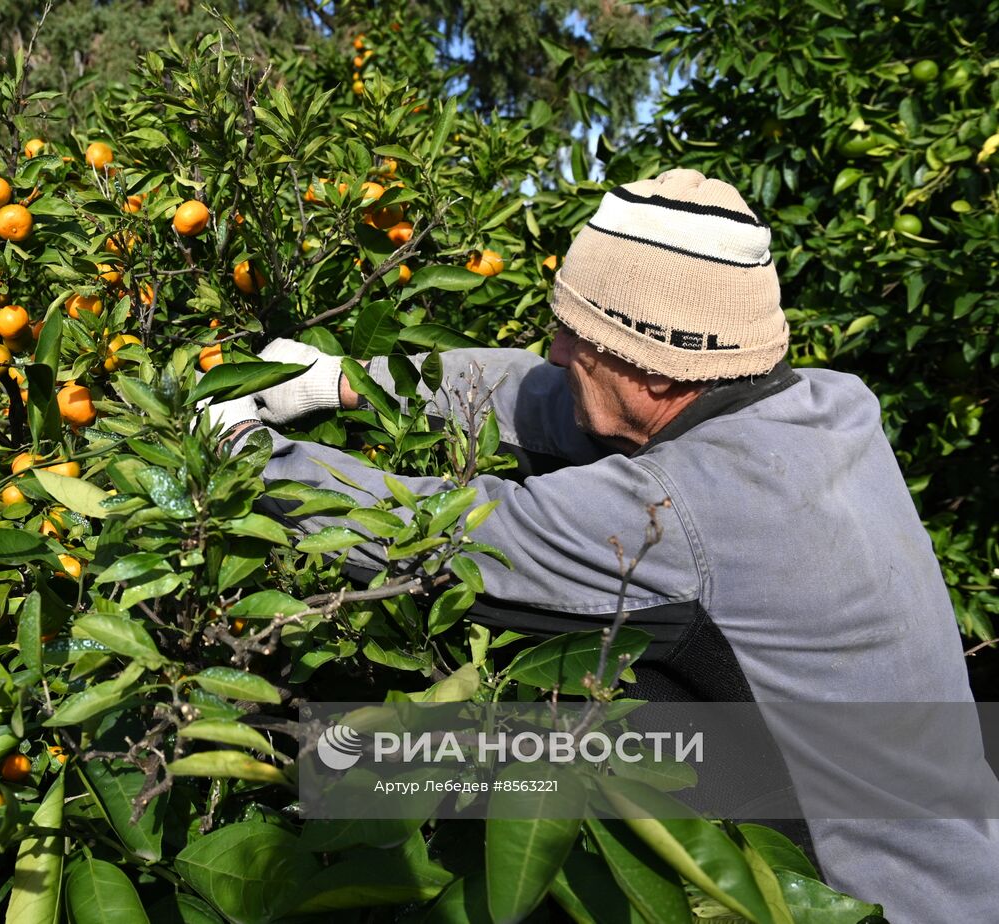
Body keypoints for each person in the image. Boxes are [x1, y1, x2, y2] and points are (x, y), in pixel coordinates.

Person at [207, 169, 999, 919]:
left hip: (878, 906)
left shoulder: (690, 510)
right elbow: (541, 391)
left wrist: (246, 454)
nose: (554, 349)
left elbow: (451, 532)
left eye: (574, 335)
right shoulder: (830, 405)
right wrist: (339, 380)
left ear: (655, 371)